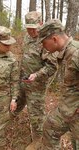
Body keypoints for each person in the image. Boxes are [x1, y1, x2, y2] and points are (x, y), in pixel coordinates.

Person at [27, 19, 79, 150]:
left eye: (44, 42)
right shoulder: (66, 53)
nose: (43, 46)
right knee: (50, 128)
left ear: (54, 39)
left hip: (76, 112)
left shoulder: (76, 53)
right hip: (68, 109)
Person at [11, 11, 58, 148]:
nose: (31, 31)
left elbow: (52, 66)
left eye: (34, 28)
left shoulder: (46, 41)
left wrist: (37, 75)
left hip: (37, 85)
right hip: (23, 81)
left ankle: (38, 139)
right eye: (28, 27)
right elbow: (25, 57)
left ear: (41, 24)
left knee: (36, 114)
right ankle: (9, 122)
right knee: (17, 103)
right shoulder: (26, 37)